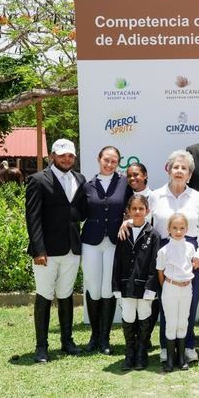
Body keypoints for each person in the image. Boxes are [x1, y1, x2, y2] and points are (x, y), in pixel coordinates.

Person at [25, 138, 86, 363]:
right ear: (52, 156)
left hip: (71, 249)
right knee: (44, 295)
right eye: (62, 155)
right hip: (47, 252)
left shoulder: (80, 179)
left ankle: (67, 341)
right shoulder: (38, 180)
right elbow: (33, 218)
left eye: (70, 155)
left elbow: (82, 211)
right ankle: (41, 346)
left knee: (66, 294)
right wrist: (38, 249)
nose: (66, 159)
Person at [151, 150, 199, 363]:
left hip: (191, 254)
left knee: (189, 304)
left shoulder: (198, 197)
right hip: (165, 253)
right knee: (167, 302)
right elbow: (143, 221)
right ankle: (167, 348)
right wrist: (127, 222)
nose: (179, 171)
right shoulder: (155, 196)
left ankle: (188, 345)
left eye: (184, 168)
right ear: (168, 170)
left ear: (190, 174)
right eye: (176, 167)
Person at [80, 146, 132, 355]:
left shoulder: (125, 183)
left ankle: (105, 338)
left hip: (114, 242)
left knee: (107, 289)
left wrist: (126, 221)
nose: (109, 164)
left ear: (118, 162)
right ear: (99, 159)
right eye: (106, 160)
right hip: (91, 240)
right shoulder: (87, 185)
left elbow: (136, 206)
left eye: (113, 161)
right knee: (93, 288)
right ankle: (94, 336)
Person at [112, 194, 160, 371]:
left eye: (141, 209)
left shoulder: (153, 235)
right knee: (128, 316)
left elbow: (155, 263)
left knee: (144, 315)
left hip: (144, 287)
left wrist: (151, 286)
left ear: (147, 211)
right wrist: (116, 286)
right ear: (128, 211)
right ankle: (129, 353)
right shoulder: (123, 233)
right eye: (134, 209)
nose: (138, 212)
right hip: (126, 286)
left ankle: (141, 353)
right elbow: (117, 261)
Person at [126, 162, 159, 348]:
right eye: (129, 176)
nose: (133, 179)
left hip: (149, 250)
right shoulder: (126, 195)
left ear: (145, 175)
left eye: (137, 174)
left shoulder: (154, 197)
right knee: (133, 297)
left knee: (150, 295)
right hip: (130, 253)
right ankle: (136, 338)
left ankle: (145, 338)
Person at [157, 213, 195, 372]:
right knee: (171, 322)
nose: (178, 231)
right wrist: (169, 285)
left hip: (186, 288)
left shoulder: (191, 247)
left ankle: (181, 357)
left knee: (183, 322)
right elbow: (160, 272)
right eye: (174, 228)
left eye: (181, 228)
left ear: (186, 229)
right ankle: (170, 360)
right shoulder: (164, 250)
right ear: (168, 229)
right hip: (170, 287)